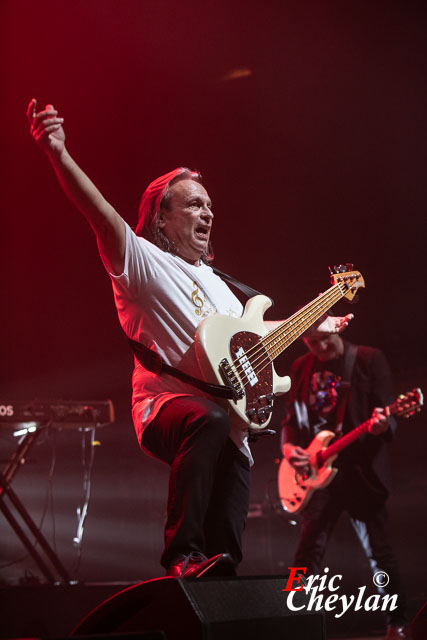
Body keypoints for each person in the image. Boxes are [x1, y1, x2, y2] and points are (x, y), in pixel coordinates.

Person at [27, 98, 352, 579]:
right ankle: (180, 555)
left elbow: (255, 337)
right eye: (195, 204)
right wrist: (59, 153)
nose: (207, 213)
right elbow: (98, 214)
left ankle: (215, 579)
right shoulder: (143, 263)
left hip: (230, 429)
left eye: (210, 206)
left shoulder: (224, 286)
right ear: (161, 217)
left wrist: (314, 322)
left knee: (226, 560)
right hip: (167, 410)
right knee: (209, 419)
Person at [281, 316, 408, 640]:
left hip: (360, 472)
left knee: (378, 552)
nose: (321, 348)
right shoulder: (300, 366)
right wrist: (288, 447)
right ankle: (289, 618)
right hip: (317, 471)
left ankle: (397, 624)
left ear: (338, 328)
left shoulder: (367, 358)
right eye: (312, 343)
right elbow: (291, 418)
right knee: (306, 553)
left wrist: (384, 424)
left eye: (325, 339)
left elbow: (385, 413)